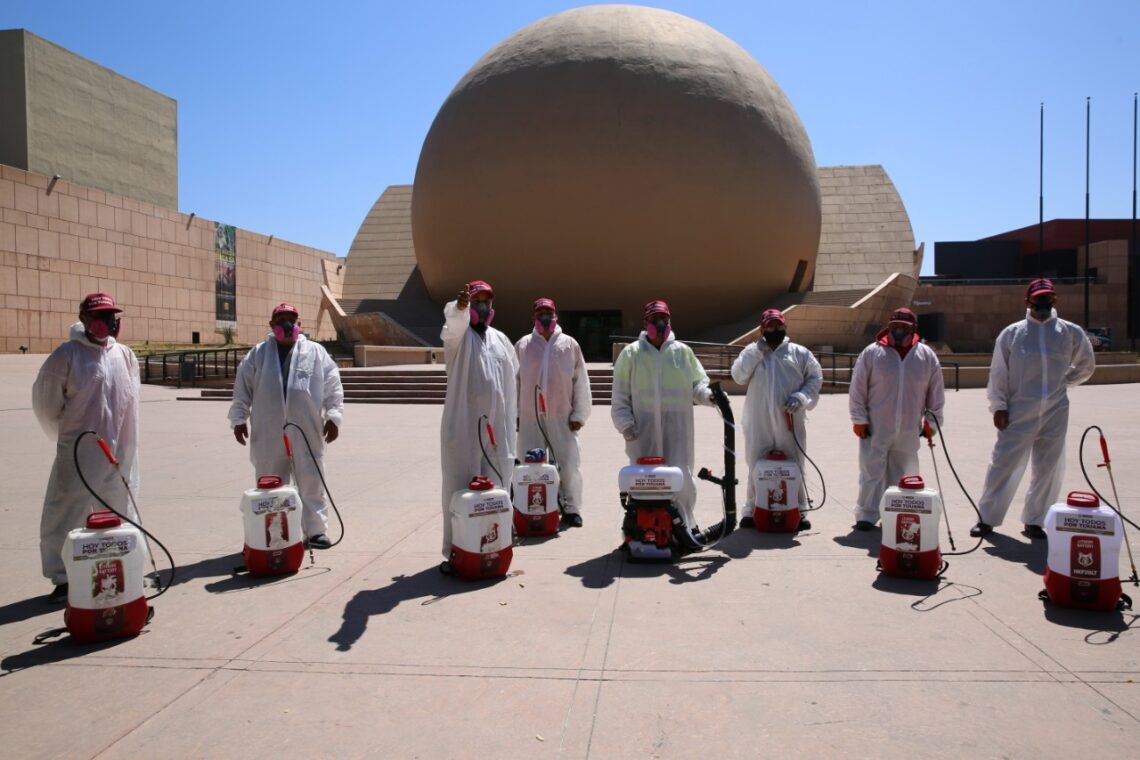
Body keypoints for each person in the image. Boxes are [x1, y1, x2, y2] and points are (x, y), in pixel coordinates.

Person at [33, 293, 142, 602]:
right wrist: (67, 437)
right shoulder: (66, 356)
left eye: (111, 316)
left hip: (120, 450)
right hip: (79, 450)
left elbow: (131, 405)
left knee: (120, 508)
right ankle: (63, 577)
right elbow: (46, 404)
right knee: (68, 511)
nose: (107, 322)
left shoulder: (125, 355)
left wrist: (129, 446)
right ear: (83, 319)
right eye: (99, 316)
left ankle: (121, 566)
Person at [971, 279, 1096, 539]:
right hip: (1018, 410)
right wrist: (999, 406)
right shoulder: (1012, 334)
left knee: (1049, 466)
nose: (1043, 303)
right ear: (1027, 301)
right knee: (1003, 463)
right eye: (1038, 298)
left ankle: (1035, 520)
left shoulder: (1070, 332)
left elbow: (1086, 364)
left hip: (1055, 410)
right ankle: (987, 519)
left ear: (1055, 300)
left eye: (1047, 298)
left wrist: (1064, 382)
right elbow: (998, 373)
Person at [229, 303, 344, 548]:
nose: (286, 323)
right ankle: (277, 532)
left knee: (311, 480)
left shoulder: (315, 352)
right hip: (269, 430)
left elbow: (333, 385)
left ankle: (315, 531)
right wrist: (239, 418)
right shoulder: (258, 354)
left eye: (291, 318)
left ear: (298, 322)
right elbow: (242, 389)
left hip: (306, 428)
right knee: (271, 483)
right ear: (272, 325)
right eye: (280, 319)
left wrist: (333, 416)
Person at [611, 300, 714, 529]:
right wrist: (626, 425)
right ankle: (640, 527)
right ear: (645, 322)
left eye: (663, 319)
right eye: (654, 320)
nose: (659, 324)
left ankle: (686, 526)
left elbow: (698, 384)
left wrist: (708, 396)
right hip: (642, 433)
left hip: (677, 431)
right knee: (644, 483)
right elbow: (619, 398)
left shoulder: (683, 352)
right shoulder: (631, 355)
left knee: (682, 480)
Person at [439, 280, 519, 573]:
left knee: (497, 488)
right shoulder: (458, 338)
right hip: (462, 429)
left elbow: (512, 381)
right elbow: (452, 326)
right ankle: (456, 552)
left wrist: (513, 423)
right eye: (477, 301)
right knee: (459, 491)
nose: (482, 306)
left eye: (487, 300)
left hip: (497, 430)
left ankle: (496, 547)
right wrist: (459, 308)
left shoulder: (501, 340)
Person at [849, 307, 945, 531]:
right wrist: (859, 418)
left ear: (914, 329)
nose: (899, 331)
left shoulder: (926, 356)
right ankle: (867, 514)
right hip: (876, 425)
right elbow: (857, 389)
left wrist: (933, 422)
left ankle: (899, 512)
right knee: (871, 470)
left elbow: (936, 392)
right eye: (895, 326)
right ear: (888, 327)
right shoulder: (872, 353)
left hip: (910, 426)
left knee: (905, 471)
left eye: (905, 327)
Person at [730, 308, 823, 530]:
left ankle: (799, 509)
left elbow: (815, 377)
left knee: (795, 461)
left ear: (785, 326)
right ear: (762, 328)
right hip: (758, 419)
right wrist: (755, 353)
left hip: (790, 418)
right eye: (770, 326)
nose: (775, 330)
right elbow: (738, 376)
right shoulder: (752, 352)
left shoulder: (799, 353)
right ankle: (752, 508)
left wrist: (802, 397)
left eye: (779, 325)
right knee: (755, 462)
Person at [516, 297, 592, 527]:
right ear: (534, 318)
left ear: (556, 315)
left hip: (562, 417)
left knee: (568, 465)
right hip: (530, 418)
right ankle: (530, 507)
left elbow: (581, 381)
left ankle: (571, 507)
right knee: (530, 467)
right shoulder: (523, 345)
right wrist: (515, 415)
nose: (545, 318)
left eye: (548, 313)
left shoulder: (569, 345)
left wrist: (579, 415)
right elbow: (514, 383)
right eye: (540, 314)